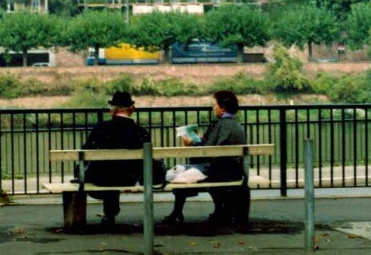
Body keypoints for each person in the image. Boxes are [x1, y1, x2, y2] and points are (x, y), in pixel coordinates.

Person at [162, 90, 248, 226]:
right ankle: (219, 211)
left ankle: (177, 213)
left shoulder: (220, 124)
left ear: (222, 108)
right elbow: (217, 145)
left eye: (215, 105)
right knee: (187, 170)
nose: (213, 107)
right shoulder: (237, 125)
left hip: (216, 172)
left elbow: (207, 148)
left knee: (180, 172)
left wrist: (191, 143)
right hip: (233, 171)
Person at [81, 91, 151, 226]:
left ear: (113, 110)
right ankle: (110, 213)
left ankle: (109, 214)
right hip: (130, 178)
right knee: (118, 170)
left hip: (101, 179)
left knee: (107, 170)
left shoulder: (101, 128)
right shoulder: (141, 132)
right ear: (132, 109)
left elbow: (85, 151)